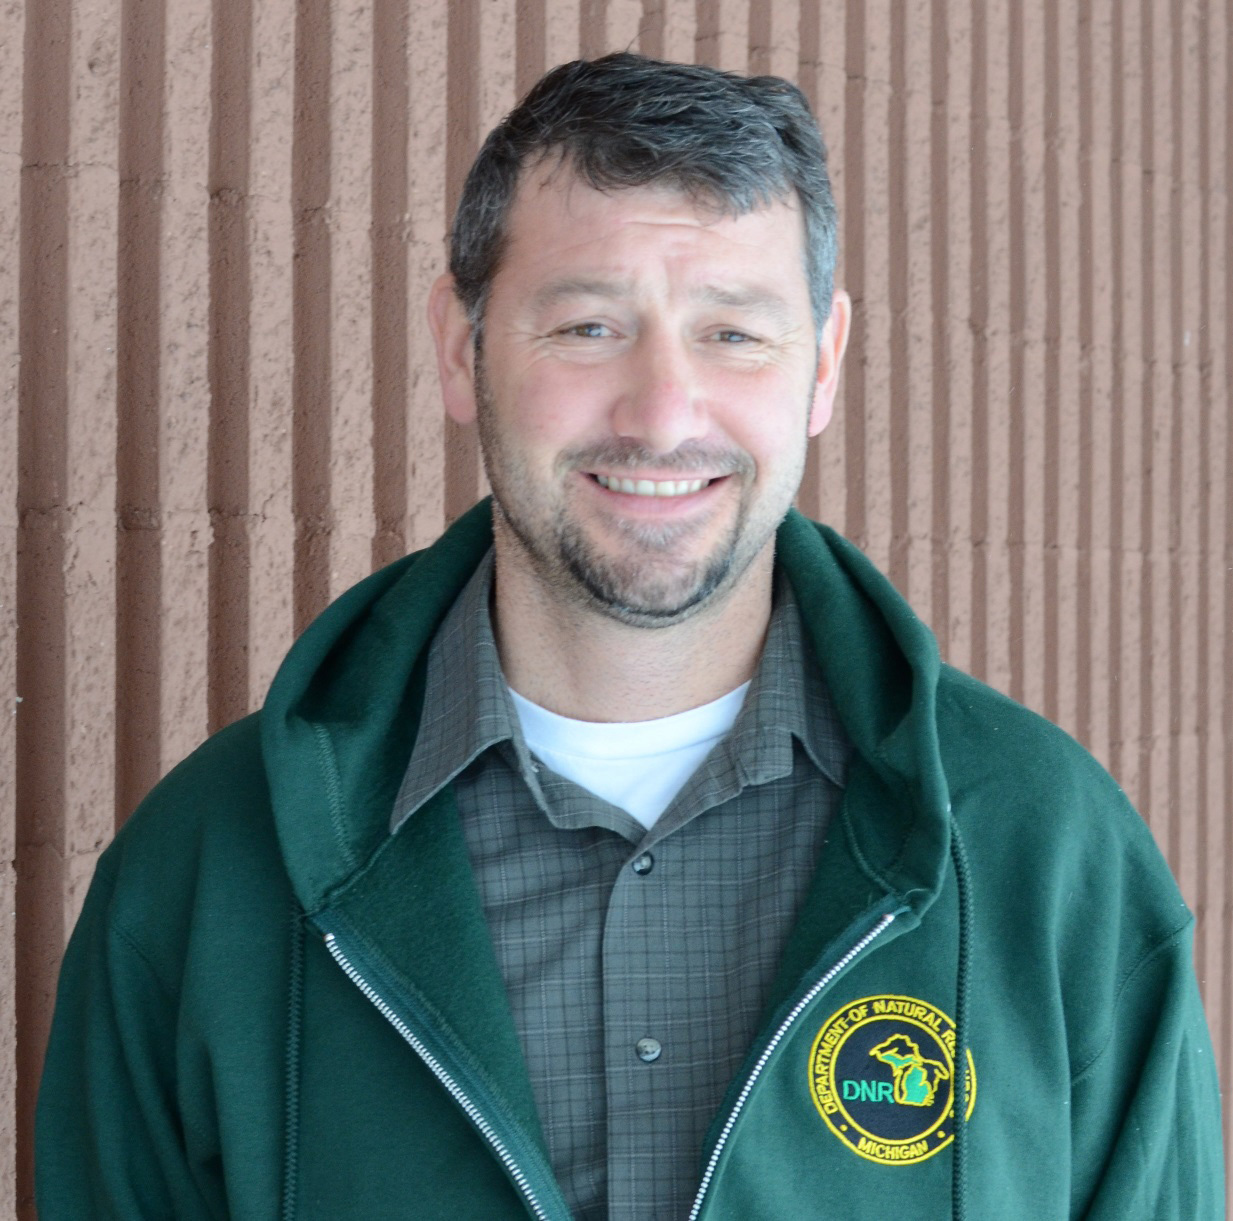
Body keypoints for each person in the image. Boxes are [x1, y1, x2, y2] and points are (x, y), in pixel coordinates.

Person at [37, 53, 1222, 1221]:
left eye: (734, 335)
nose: (663, 414)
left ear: (823, 363)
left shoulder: (1048, 856)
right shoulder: (203, 878)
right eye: (590, 327)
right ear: (463, 348)